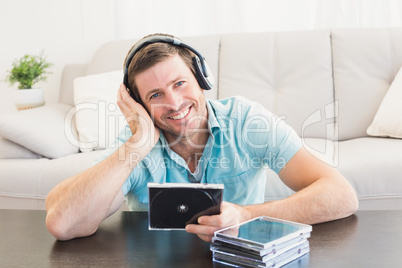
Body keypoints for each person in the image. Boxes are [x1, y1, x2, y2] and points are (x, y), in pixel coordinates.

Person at [45, 33, 359, 242]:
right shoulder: (134, 144)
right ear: (139, 105)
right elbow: (63, 223)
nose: (174, 102)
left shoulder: (246, 120)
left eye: (180, 83)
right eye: (156, 94)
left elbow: (342, 195)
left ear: (201, 78)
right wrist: (138, 144)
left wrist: (247, 215)